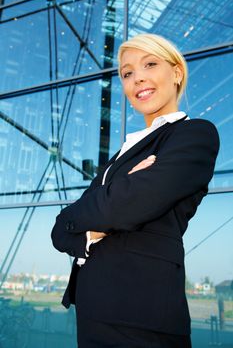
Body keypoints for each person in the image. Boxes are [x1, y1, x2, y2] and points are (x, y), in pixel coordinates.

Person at [51, 33, 219, 348]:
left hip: (141, 318)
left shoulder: (194, 134)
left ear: (177, 73)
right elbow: (60, 230)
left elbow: (126, 205)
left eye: (150, 64)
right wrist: (95, 223)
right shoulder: (123, 154)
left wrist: (99, 208)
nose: (137, 77)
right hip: (92, 309)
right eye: (127, 73)